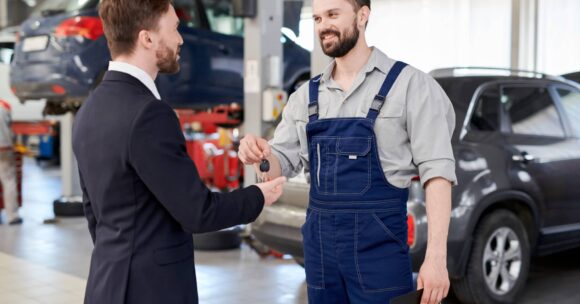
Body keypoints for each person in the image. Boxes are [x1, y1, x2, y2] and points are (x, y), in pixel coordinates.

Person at [239, 0, 456, 303]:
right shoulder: (306, 96)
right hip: (320, 254)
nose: (322, 25)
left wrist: (435, 257)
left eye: (332, 14)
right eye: (316, 18)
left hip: (379, 252)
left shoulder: (411, 86)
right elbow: (280, 165)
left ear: (362, 16)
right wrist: (260, 156)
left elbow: (438, 174)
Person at [72, 1, 285, 303]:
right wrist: (259, 196)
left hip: (104, 284)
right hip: (152, 291)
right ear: (147, 38)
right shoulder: (149, 114)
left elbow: (95, 214)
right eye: (174, 29)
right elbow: (199, 212)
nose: (181, 39)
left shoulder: (88, 110)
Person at [0, 99, 21, 225]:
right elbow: (10, 129)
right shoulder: (5, 105)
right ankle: (12, 216)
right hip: (4, 148)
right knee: (8, 181)